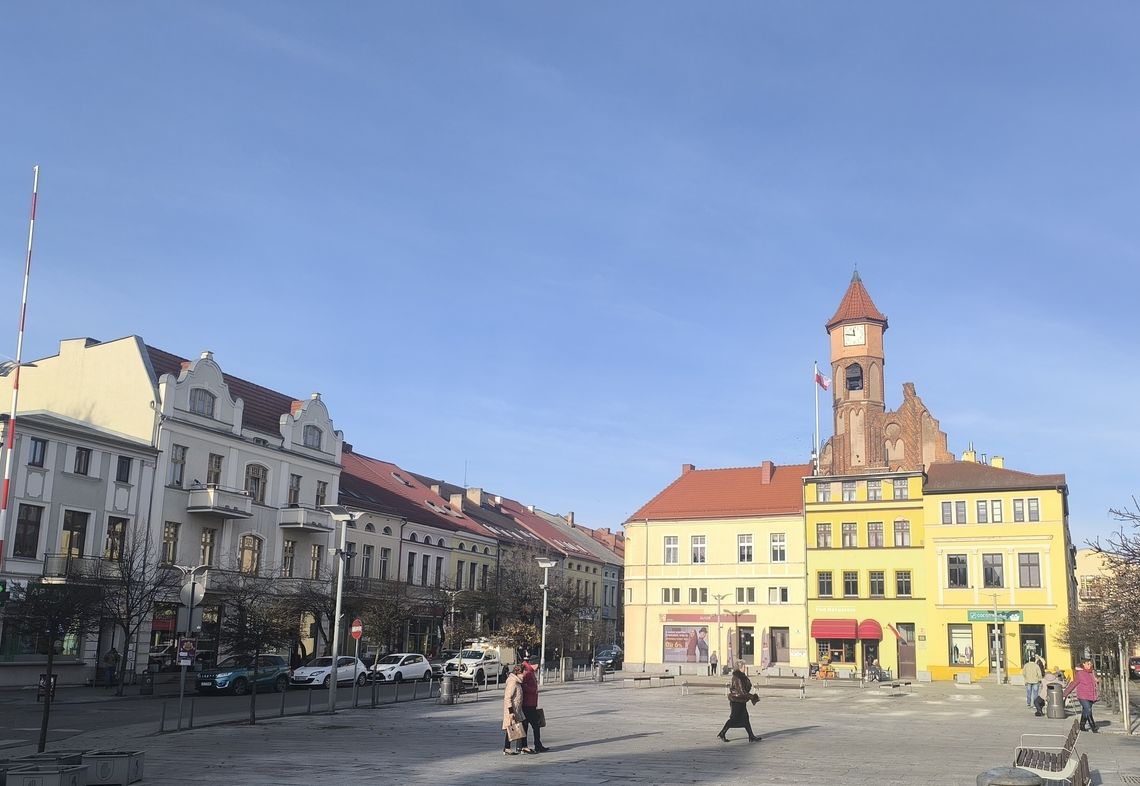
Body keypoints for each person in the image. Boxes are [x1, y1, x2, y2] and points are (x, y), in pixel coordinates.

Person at [717, 661, 761, 743]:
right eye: (744, 666)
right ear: (740, 667)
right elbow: (741, 692)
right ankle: (722, 733)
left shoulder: (742, 676)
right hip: (736, 701)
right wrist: (752, 697)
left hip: (741, 700)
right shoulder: (737, 677)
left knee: (746, 719)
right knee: (733, 719)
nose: (745, 668)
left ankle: (751, 736)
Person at [1063, 658, 1100, 732]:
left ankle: (1082, 725)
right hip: (1083, 696)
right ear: (1084, 664)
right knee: (1088, 710)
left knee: (1085, 711)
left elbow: (1096, 683)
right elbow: (1073, 684)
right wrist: (1065, 694)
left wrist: (1097, 681)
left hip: (1091, 695)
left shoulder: (1092, 673)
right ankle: (1093, 727)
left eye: (1090, 664)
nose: (1090, 665)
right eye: (1088, 664)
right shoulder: (1080, 674)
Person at [520, 658, 548, 752]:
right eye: (538, 665)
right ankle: (534, 745)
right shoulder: (527, 672)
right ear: (535, 664)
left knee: (528, 725)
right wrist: (533, 690)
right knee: (535, 725)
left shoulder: (530, 671)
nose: (539, 667)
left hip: (531, 703)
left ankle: (526, 746)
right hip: (528, 704)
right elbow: (522, 685)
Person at [501, 663, 529, 755]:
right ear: (519, 672)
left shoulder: (517, 681)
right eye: (524, 671)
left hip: (517, 709)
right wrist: (511, 712)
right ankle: (507, 748)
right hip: (512, 709)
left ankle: (522, 747)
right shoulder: (512, 682)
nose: (525, 673)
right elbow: (507, 697)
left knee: (523, 724)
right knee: (511, 727)